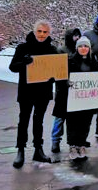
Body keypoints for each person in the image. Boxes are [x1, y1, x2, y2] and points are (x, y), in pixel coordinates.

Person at [9, 20, 60, 168]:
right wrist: (23, 62)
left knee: (39, 121)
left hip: (43, 91)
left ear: (49, 33)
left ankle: (38, 149)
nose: (42, 34)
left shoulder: (52, 50)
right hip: (26, 91)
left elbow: (57, 71)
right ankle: (20, 150)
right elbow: (13, 67)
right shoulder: (23, 48)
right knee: (23, 120)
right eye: (39, 31)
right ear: (34, 31)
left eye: (45, 32)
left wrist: (53, 77)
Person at [66, 36, 98, 161]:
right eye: (80, 46)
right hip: (74, 99)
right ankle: (72, 146)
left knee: (85, 123)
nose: (83, 48)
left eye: (86, 46)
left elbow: (97, 76)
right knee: (72, 123)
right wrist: (67, 82)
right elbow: (63, 77)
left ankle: (81, 144)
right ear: (77, 48)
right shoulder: (70, 61)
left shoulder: (93, 61)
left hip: (88, 99)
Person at [51, 27, 82, 154]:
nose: (77, 38)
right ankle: (55, 141)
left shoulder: (80, 50)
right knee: (59, 118)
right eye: (75, 36)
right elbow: (56, 71)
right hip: (63, 90)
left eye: (78, 36)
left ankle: (73, 142)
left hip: (76, 91)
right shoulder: (61, 50)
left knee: (73, 120)